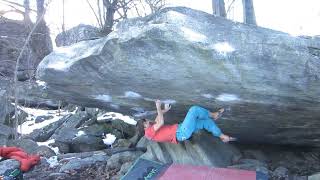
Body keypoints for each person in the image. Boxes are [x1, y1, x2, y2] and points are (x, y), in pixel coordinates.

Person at [137, 100, 235, 144]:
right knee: (194, 110)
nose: (147, 121)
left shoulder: (151, 129)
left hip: (181, 130)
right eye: (145, 122)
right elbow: (161, 122)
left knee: (205, 122)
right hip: (181, 132)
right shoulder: (148, 133)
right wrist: (158, 107)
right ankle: (214, 115)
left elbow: (158, 118)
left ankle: (222, 136)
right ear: (144, 127)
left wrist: (165, 110)